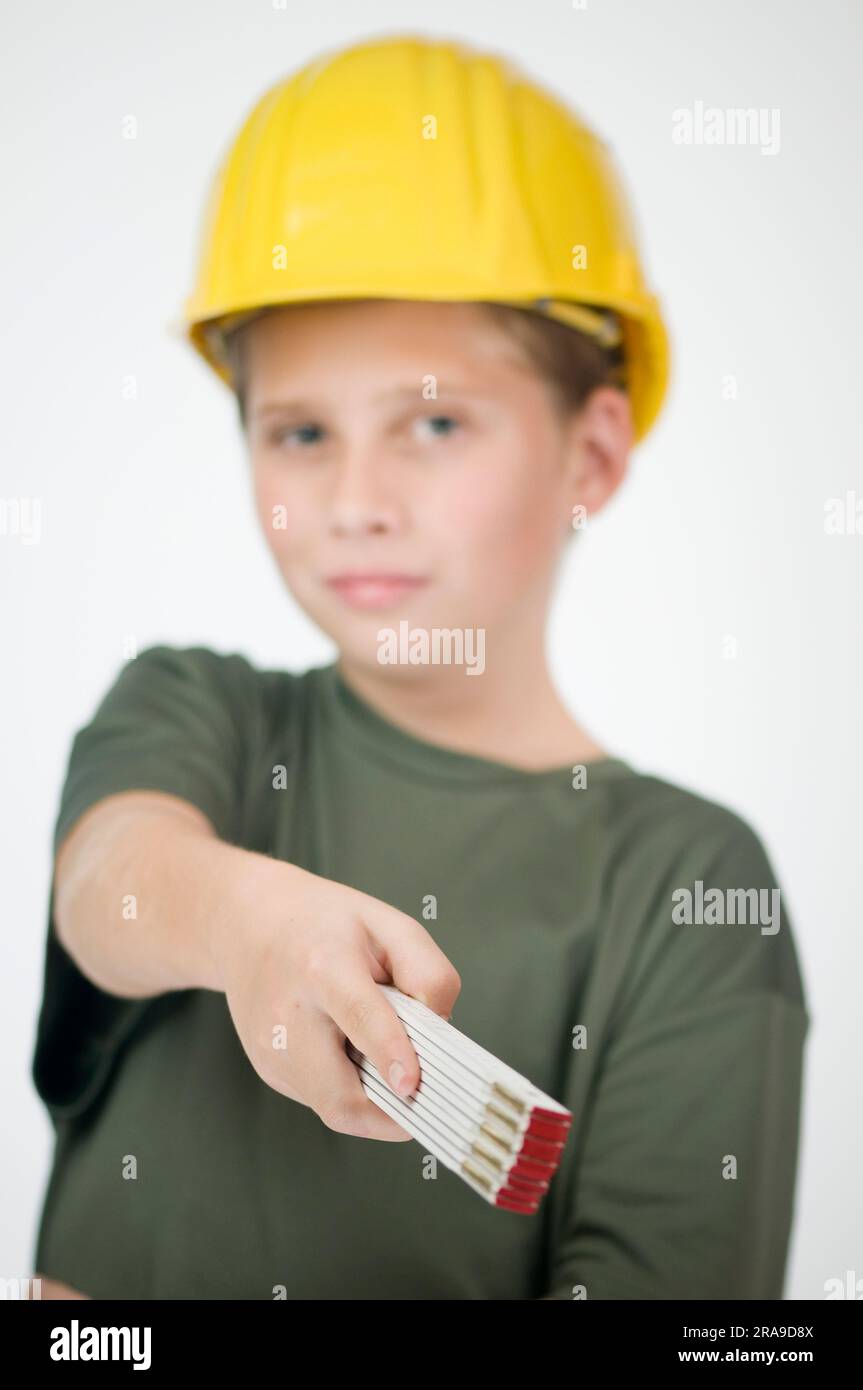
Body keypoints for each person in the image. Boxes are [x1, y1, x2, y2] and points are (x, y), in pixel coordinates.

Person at [30, 33, 809, 1300]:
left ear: (591, 454)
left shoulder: (690, 888)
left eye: (434, 422)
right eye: (298, 431)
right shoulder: (201, 710)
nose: (354, 500)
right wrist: (247, 924)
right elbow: (110, 885)